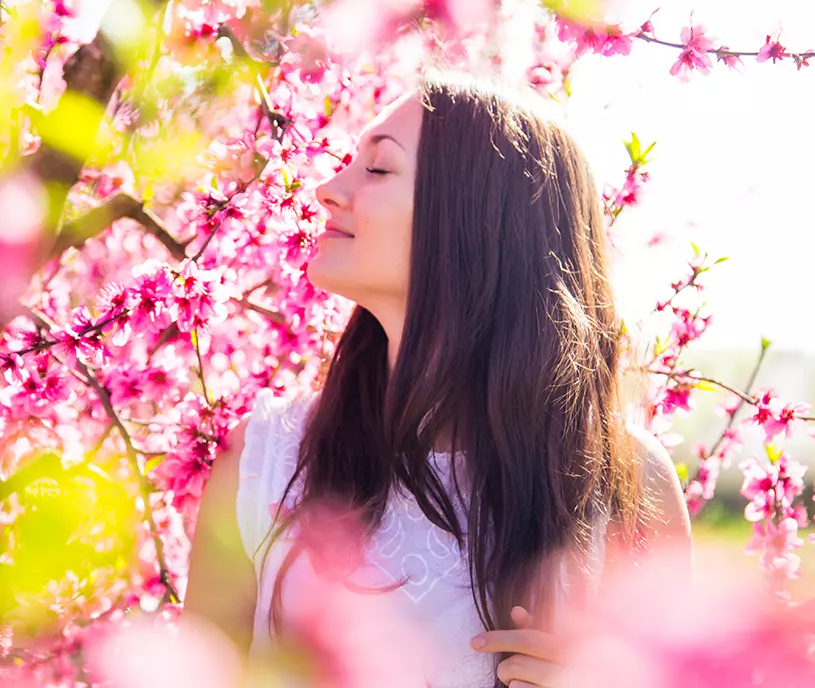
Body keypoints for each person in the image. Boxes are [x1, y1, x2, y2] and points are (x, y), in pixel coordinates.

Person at [184, 75, 693, 688]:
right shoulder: (267, 458)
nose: (327, 189)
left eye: (378, 169)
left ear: (472, 220)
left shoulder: (624, 481)